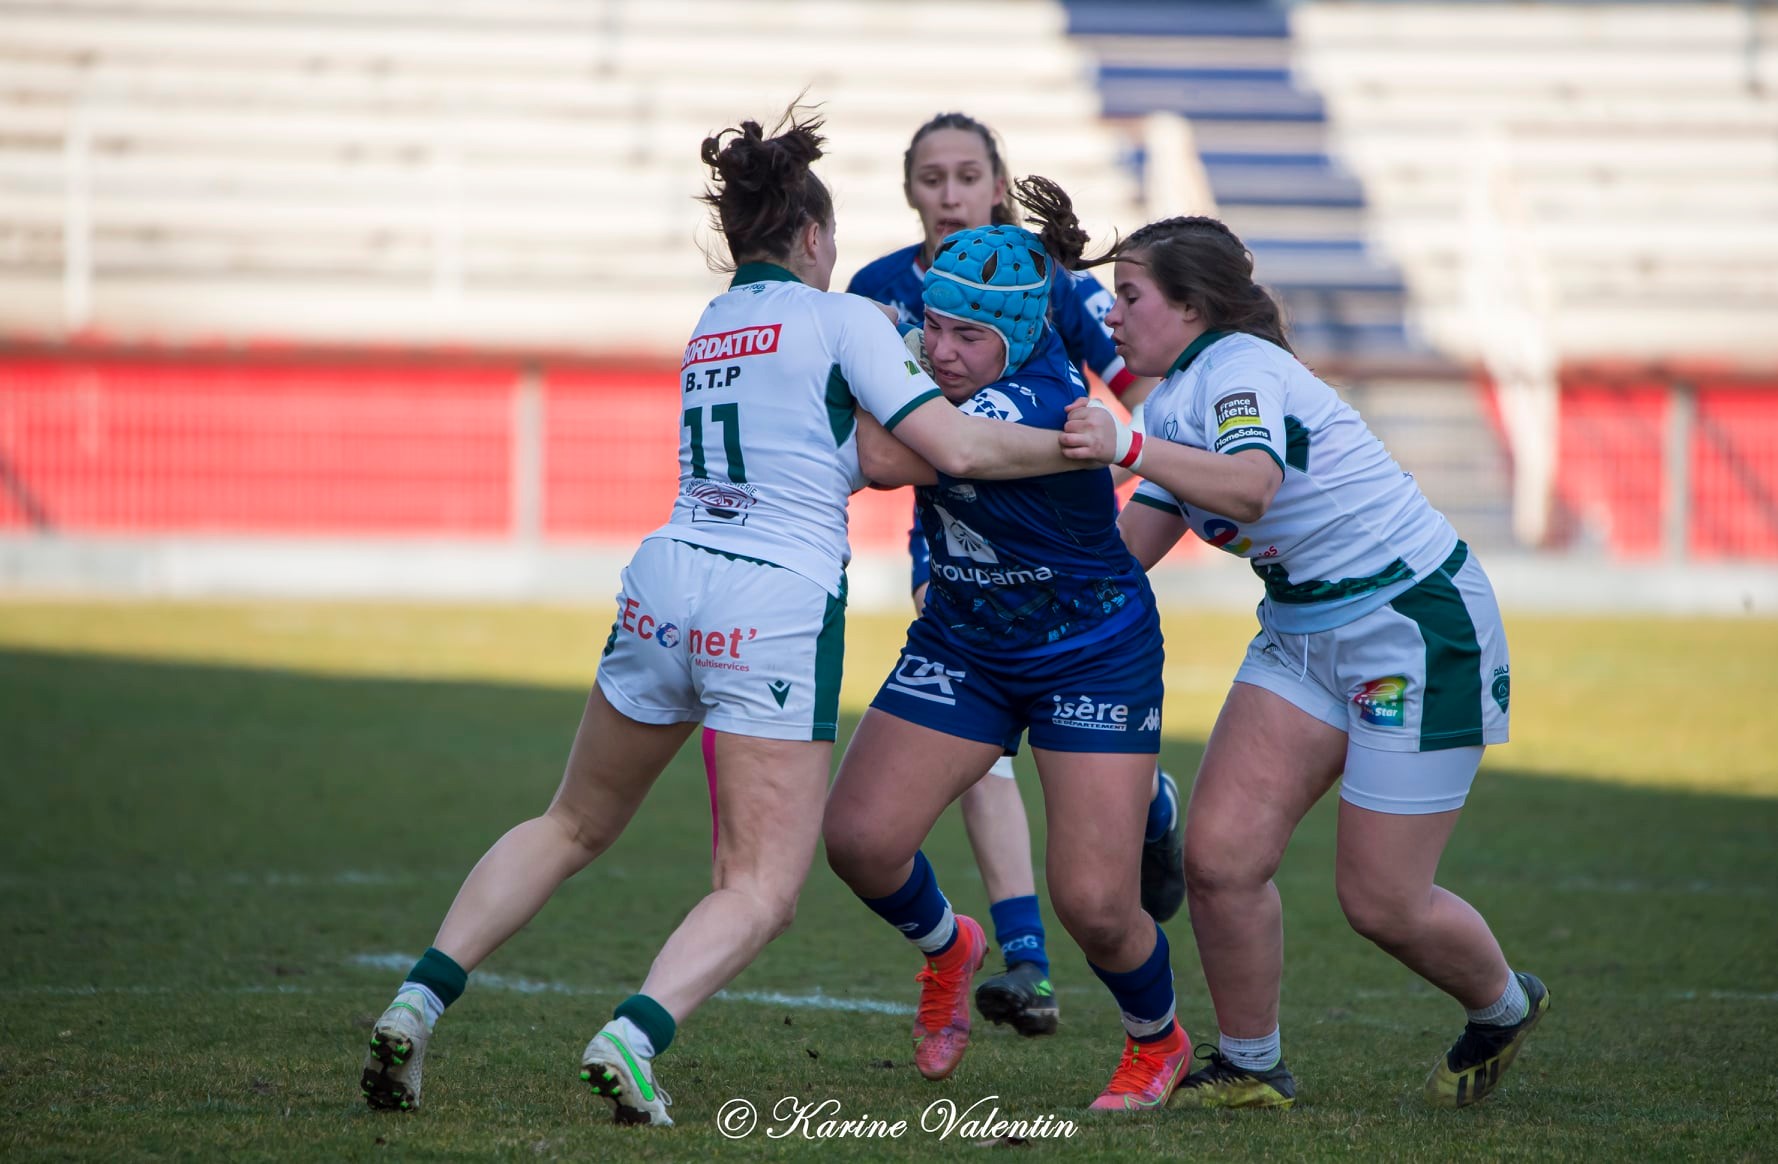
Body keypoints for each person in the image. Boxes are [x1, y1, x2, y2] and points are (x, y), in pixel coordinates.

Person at [356, 109, 1088, 1127]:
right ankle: (633, 1037)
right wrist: (1077, 445)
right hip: (769, 602)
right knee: (758, 888)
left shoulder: (710, 322)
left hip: (661, 582)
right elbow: (934, 452)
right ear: (815, 240)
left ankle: (416, 999)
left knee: (569, 822)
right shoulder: (848, 321)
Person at [1055, 206, 1548, 1110]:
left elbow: (1250, 485)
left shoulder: (1241, 371)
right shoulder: (1172, 402)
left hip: (1412, 625)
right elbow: (1124, 558)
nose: (1113, 318)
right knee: (1218, 859)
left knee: (1382, 902)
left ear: (1194, 306)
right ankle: (1251, 1068)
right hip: (1299, 630)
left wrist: (1122, 444)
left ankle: (1504, 1005)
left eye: (1128, 296)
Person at [823, 204, 1193, 1112]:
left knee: (1096, 909)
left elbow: (879, 451)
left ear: (1020, 335)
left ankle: (1160, 1041)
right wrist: (894, 335)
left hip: (1089, 651)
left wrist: (877, 355)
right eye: (935, 326)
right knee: (861, 842)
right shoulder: (949, 367)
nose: (943, 350)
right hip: (965, 639)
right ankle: (951, 945)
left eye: (969, 336)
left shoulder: (1029, 399)